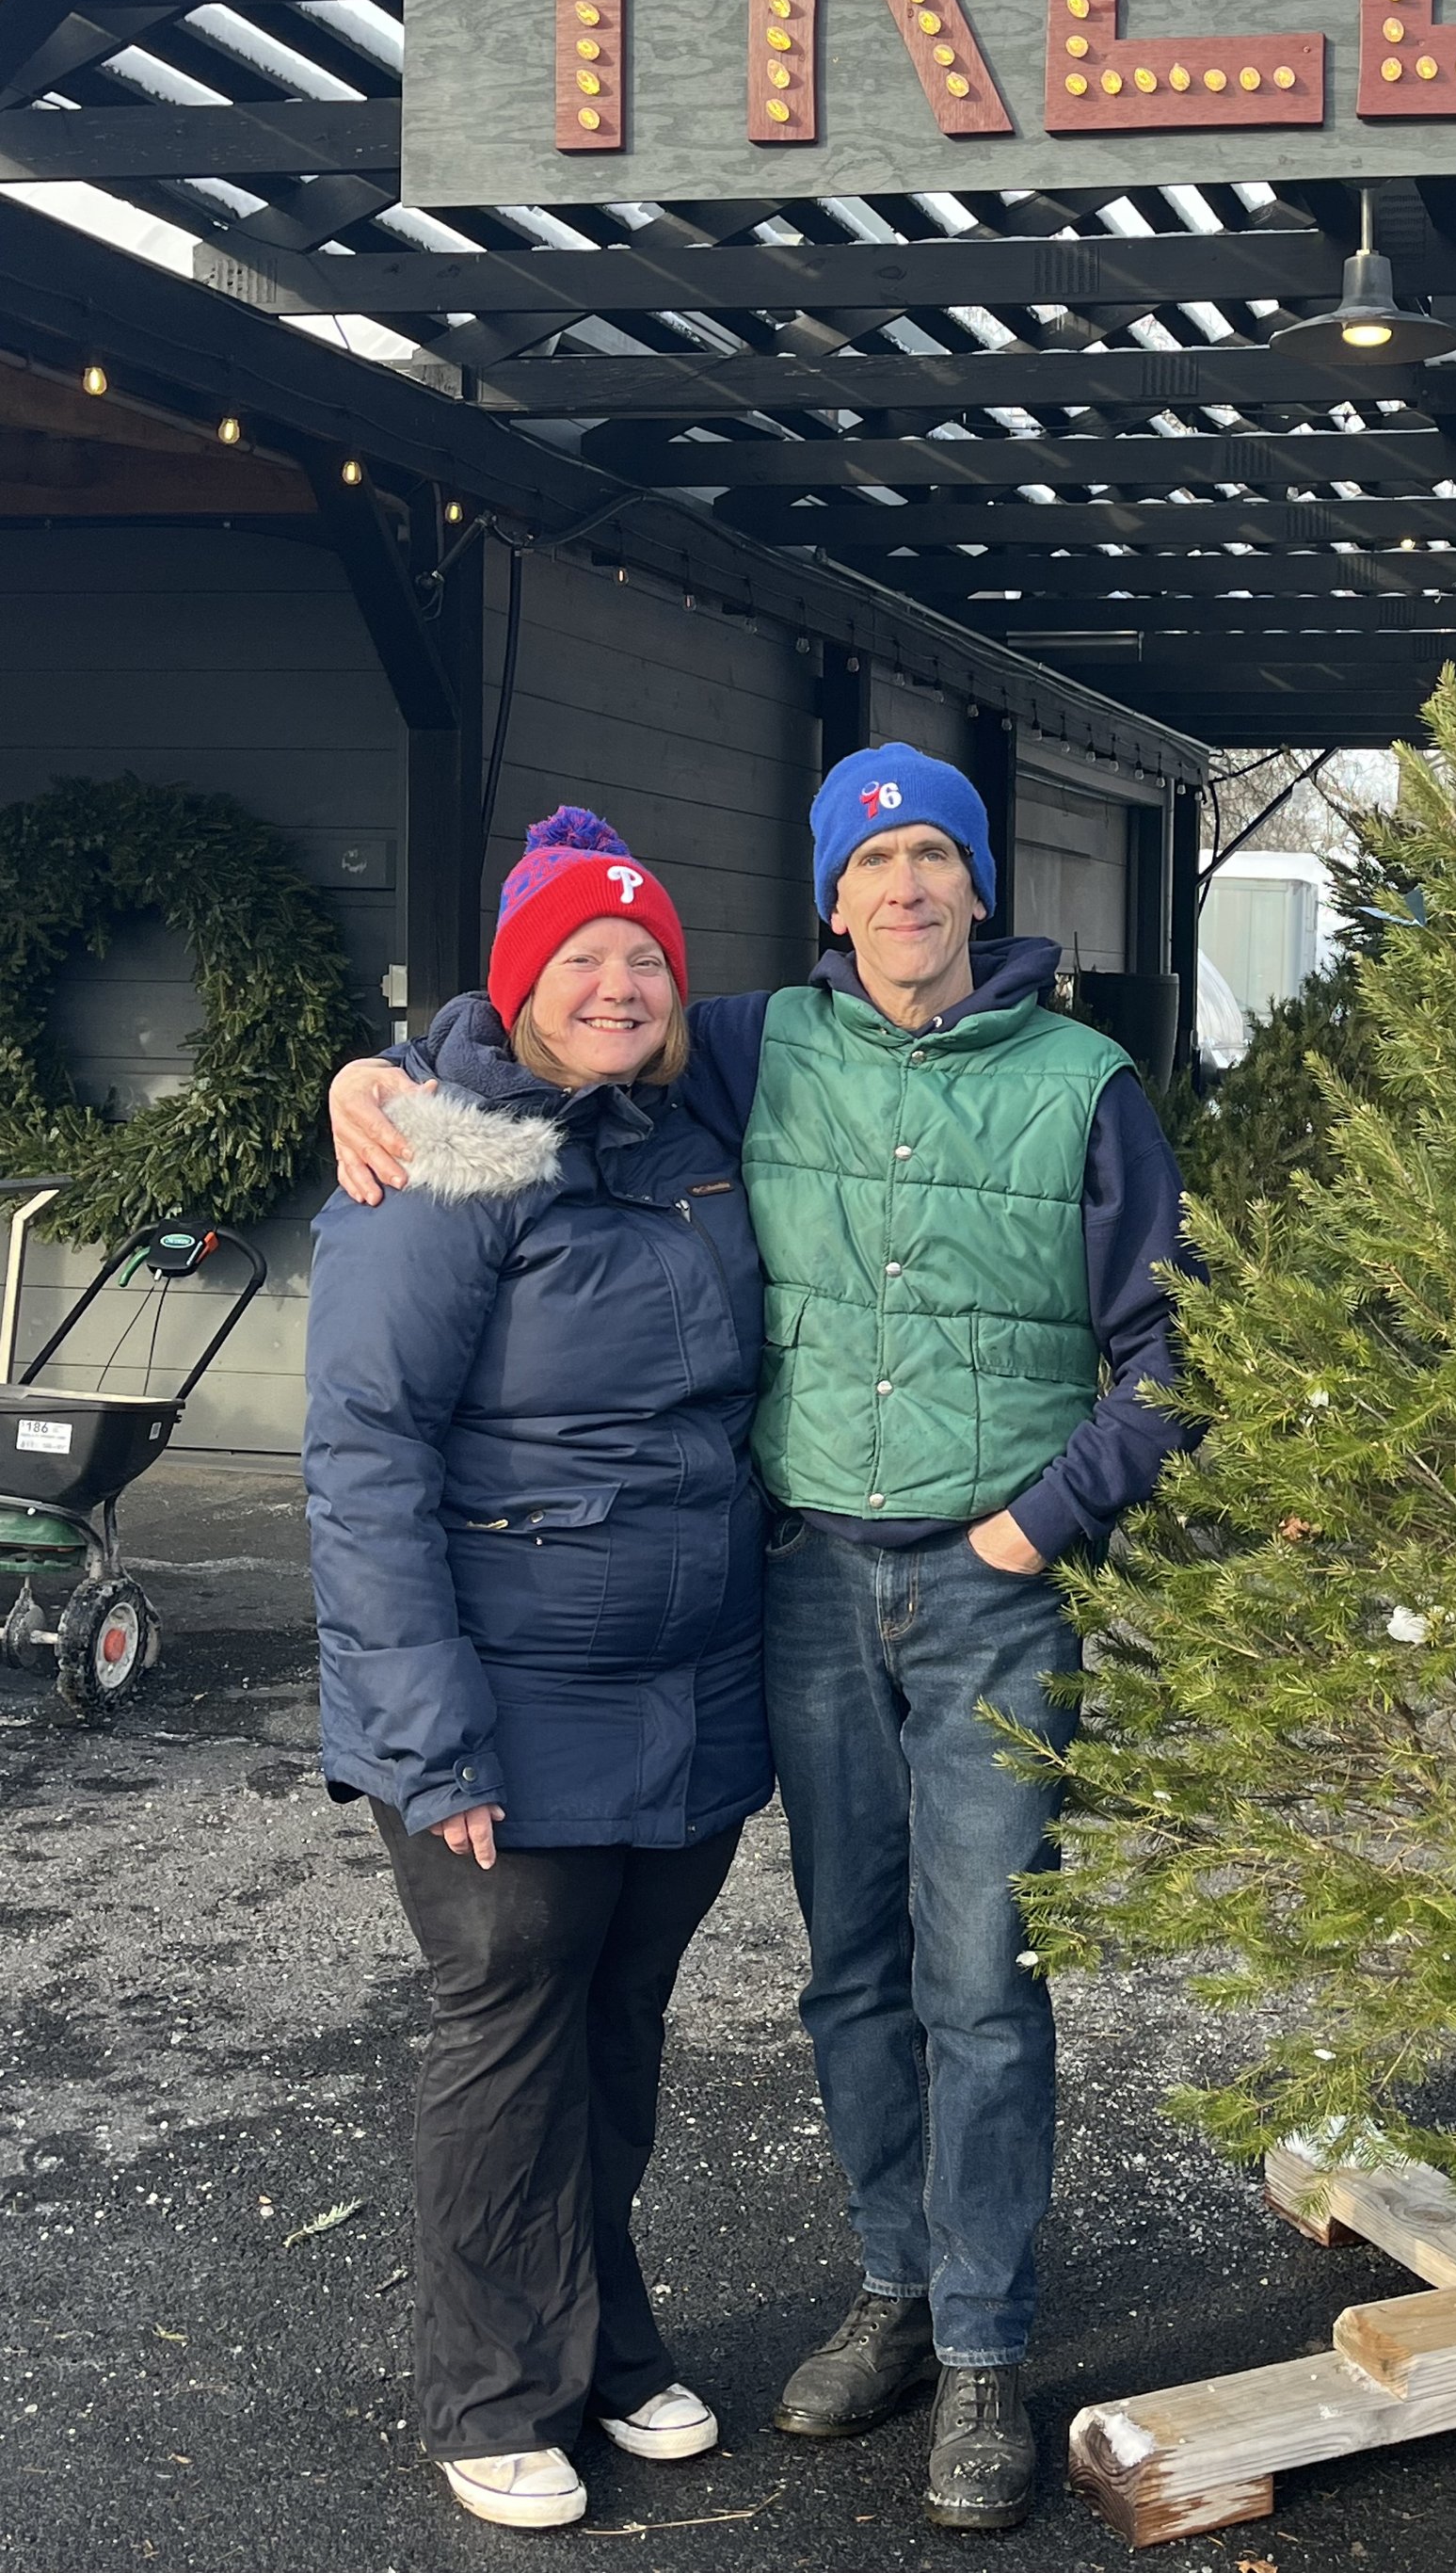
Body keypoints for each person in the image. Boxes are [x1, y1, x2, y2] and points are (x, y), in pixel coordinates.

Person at [330, 745, 1192, 2534]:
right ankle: (886, 2293)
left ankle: (982, 2347)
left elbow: (1175, 1351)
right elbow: (535, 1030)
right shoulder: (759, 1044)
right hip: (796, 1587)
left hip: (980, 1593)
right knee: (847, 1965)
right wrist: (376, 1072)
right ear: (829, 899)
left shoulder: (1080, 1083)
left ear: (979, 885)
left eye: (934, 857)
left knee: (978, 1971)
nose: (905, 891)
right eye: (871, 865)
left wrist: (1039, 1519)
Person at [307, 808, 772, 2535]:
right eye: (580, 956)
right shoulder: (451, 1149)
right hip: (504, 1694)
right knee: (510, 2024)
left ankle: (600, 2336)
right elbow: (366, 1449)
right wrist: (430, 1738)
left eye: (646, 956)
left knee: (615, 2028)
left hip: (685, 1686)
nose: (618, 983)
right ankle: (496, 2387)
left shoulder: (696, 1122)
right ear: (515, 983)